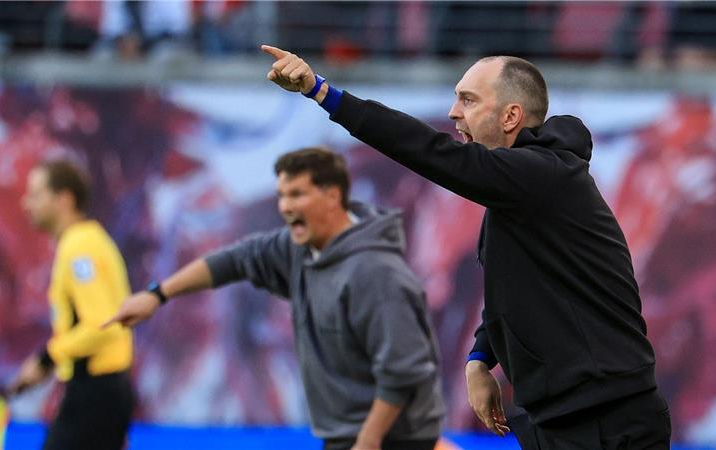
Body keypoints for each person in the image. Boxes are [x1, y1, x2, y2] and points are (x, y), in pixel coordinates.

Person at [260, 45, 672, 449]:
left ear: (510, 116)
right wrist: (480, 358)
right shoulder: (520, 191)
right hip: (567, 419)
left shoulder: (542, 176)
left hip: (606, 422)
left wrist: (323, 92)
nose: (454, 113)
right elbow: (514, 289)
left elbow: (429, 151)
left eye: (468, 100)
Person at [104, 147, 445, 450]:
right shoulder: (298, 249)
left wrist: (369, 440)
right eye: (282, 195)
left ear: (332, 195)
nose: (285, 207)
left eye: (297, 195)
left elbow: (403, 373)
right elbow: (233, 260)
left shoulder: (378, 274)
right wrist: (158, 295)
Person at [9, 159, 134, 450]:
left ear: (64, 199)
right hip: (99, 391)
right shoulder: (83, 242)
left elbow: (103, 324)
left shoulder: (80, 247)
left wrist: (45, 359)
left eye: (36, 194)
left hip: (96, 391)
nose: (27, 204)